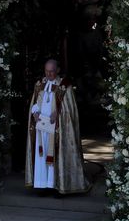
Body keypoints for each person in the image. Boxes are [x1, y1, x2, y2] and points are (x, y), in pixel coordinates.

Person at [25, 59, 90, 194]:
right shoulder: (39, 84)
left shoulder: (65, 86)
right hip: (41, 128)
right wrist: (35, 113)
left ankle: (57, 185)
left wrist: (59, 113)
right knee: (41, 156)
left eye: (52, 71)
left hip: (58, 128)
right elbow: (35, 103)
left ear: (57, 70)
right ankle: (42, 185)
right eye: (47, 71)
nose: (49, 74)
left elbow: (70, 109)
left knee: (56, 155)